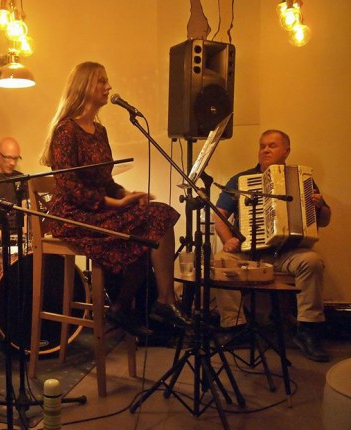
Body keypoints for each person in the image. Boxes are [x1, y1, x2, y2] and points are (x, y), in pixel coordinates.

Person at [40, 61, 189, 336]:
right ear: (85, 86)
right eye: (102, 81)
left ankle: (149, 303)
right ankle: (151, 303)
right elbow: (70, 187)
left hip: (96, 209)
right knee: (152, 223)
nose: (108, 87)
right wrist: (116, 204)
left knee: (159, 216)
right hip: (71, 215)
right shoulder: (65, 130)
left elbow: (106, 182)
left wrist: (126, 195)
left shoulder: (100, 131)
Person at [213, 129, 332, 362]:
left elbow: (325, 220)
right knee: (220, 261)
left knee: (312, 261)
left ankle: (307, 330)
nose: (265, 150)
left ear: (286, 151)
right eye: (262, 146)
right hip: (249, 254)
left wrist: (320, 206)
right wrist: (228, 240)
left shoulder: (303, 180)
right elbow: (219, 215)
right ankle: (235, 327)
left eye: (272, 146)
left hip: (288, 252)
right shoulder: (240, 180)